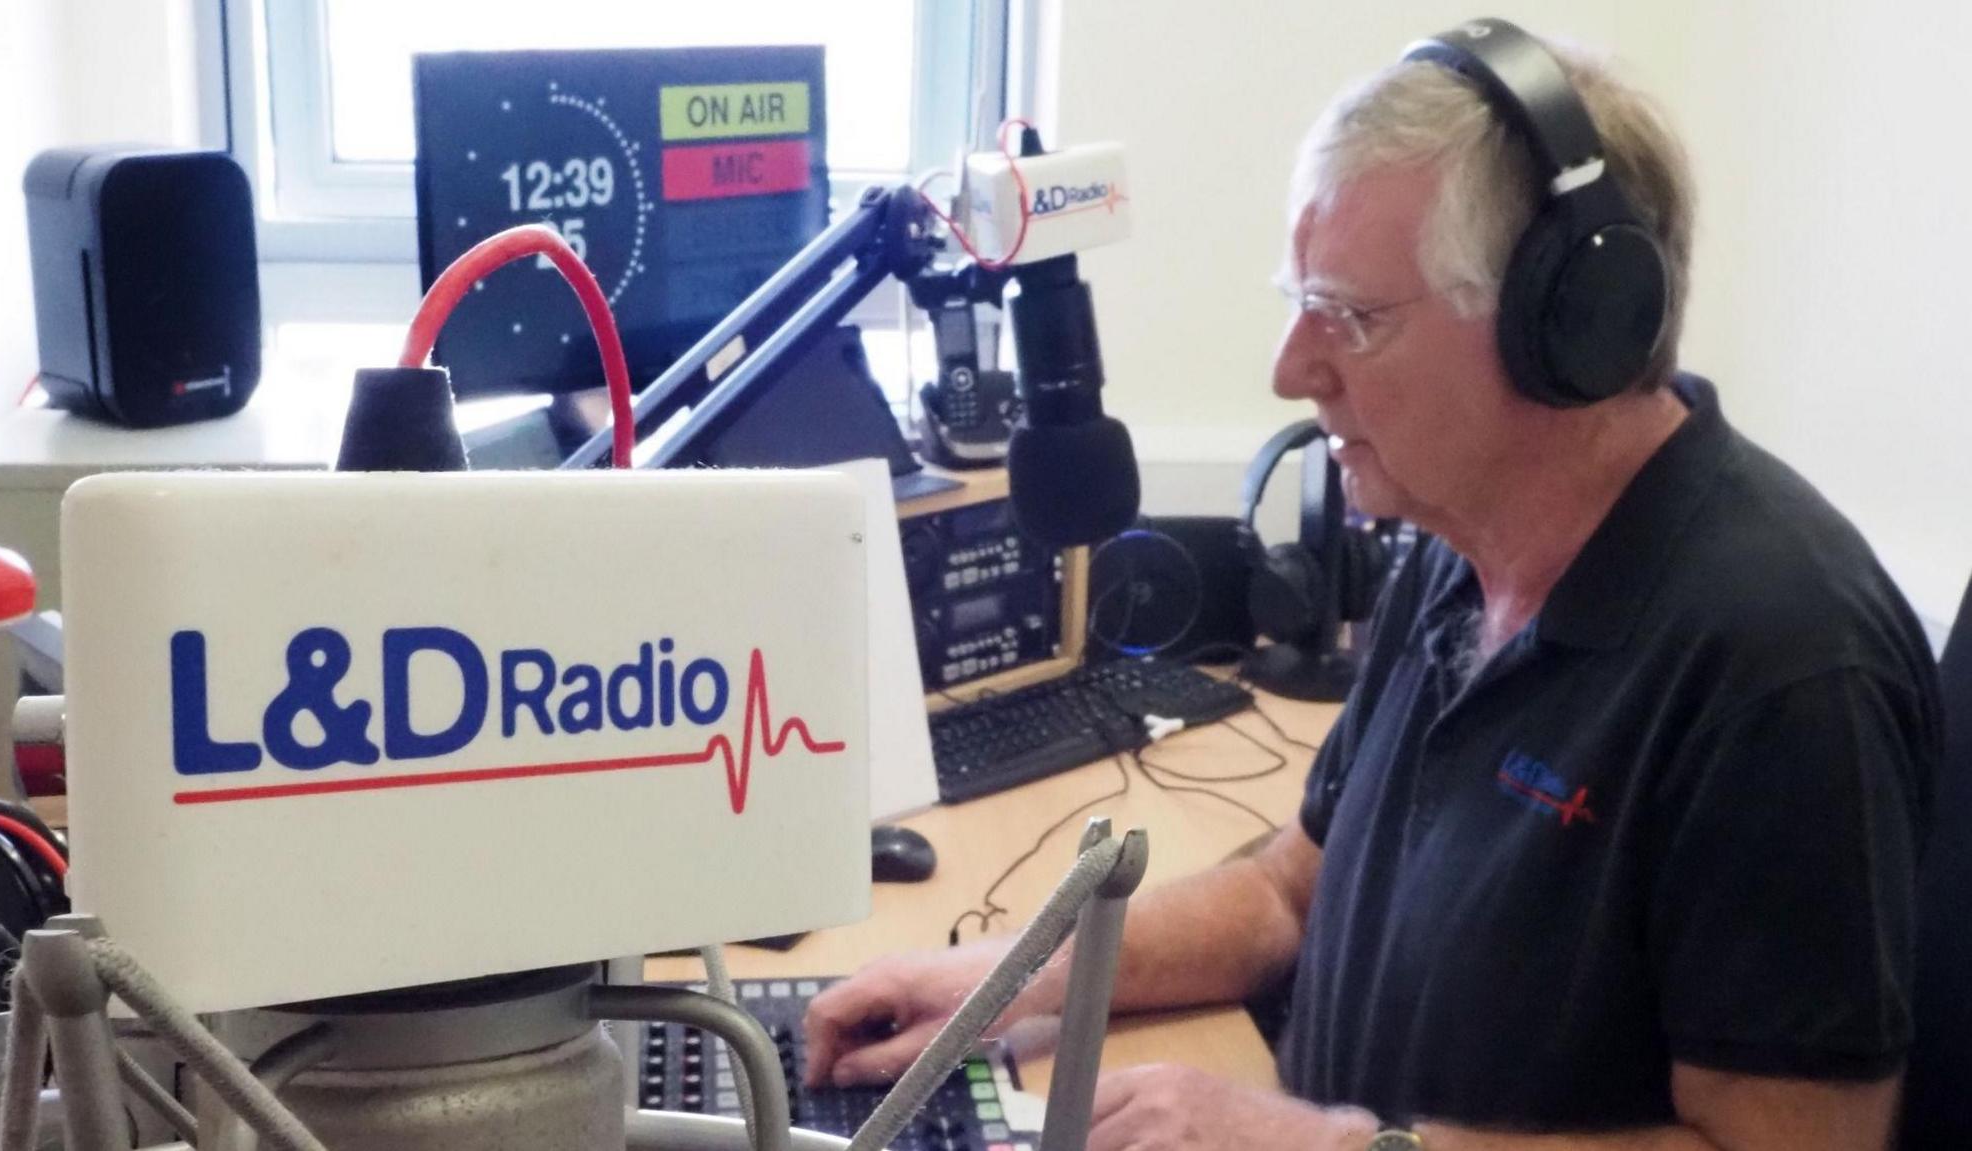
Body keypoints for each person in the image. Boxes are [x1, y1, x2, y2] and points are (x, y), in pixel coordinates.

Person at [804, 20, 1940, 1151]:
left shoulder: (1783, 668)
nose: (1290, 368)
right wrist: (1006, 978)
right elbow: (1289, 891)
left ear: (1569, 328)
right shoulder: (1457, 539)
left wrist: (1327, 1146)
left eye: (1347, 314)